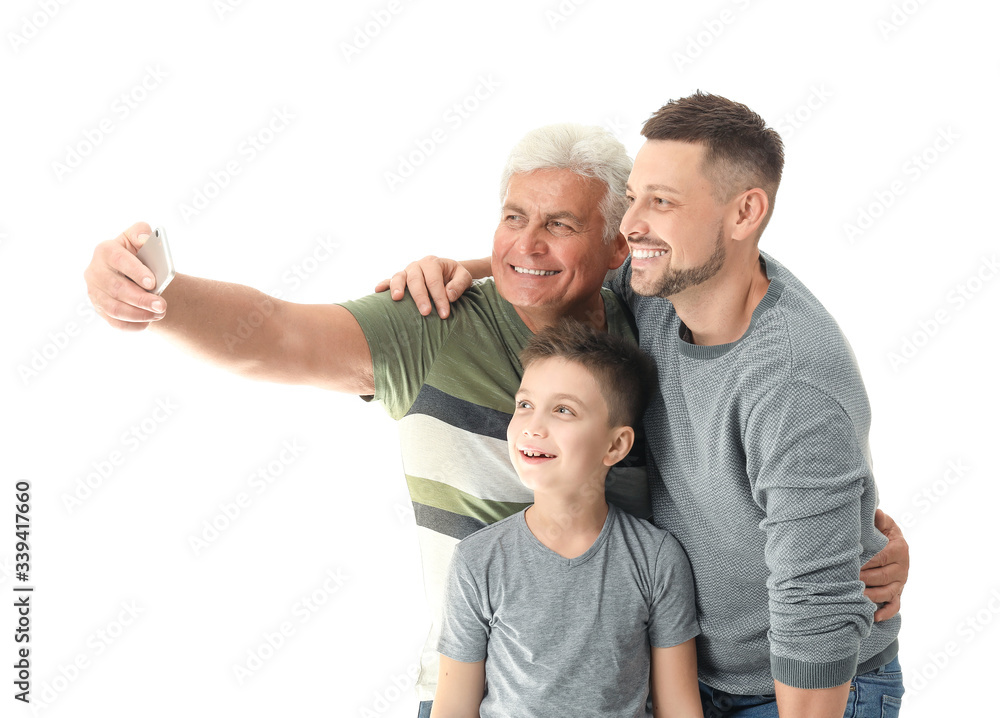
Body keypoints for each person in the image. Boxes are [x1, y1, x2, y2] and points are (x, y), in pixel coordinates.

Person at [84, 120, 907, 717]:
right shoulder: (431, 326)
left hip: (673, 690)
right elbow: (271, 333)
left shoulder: (651, 318)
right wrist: (156, 295)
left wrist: (852, 557)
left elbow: (799, 527)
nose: (528, 242)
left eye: (560, 224)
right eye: (513, 217)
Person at [381, 93, 907, 717]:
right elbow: (574, 263)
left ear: (745, 212)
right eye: (633, 196)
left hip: (796, 686)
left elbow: (813, 608)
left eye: (662, 202)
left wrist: (848, 548)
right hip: (682, 668)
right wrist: (457, 268)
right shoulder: (663, 284)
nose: (631, 224)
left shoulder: (791, 378)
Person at [432, 320, 702, 718]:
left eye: (563, 410)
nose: (533, 427)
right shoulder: (477, 561)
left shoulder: (657, 560)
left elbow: (678, 707)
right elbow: (453, 708)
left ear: (615, 445)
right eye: (525, 405)